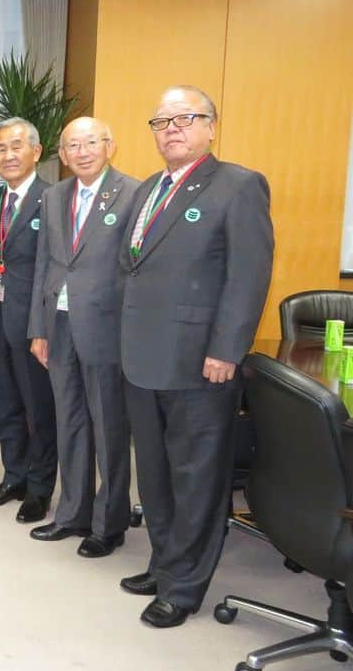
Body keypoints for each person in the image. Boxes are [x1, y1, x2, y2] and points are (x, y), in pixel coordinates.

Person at [118, 85, 273, 628]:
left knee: (197, 476)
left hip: (199, 362)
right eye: (161, 121)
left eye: (185, 118)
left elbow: (248, 276)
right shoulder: (147, 191)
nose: (172, 129)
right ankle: (164, 563)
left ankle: (184, 587)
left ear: (211, 126)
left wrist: (227, 349)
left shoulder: (238, 185)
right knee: (155, 474)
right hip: (141, 358)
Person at [27, 117, 138, 556]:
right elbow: (44, 266)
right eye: (73, 145)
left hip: (106, 328)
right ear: (63, 153)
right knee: (69, 420)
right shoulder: (55, 196)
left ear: (110, 145)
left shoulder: (133, 193)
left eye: (91, 142)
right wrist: (38, 327)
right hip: (59, 326)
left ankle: (109, 523)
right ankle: (71, 512)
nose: (82, 151)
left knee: (109, 425)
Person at [0, 118, 57, 523]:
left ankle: (40, 488)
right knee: (4, 405)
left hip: (33, 324)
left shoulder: (53, 199)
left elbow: (56, 269)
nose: (7, 155)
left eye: (16, 147)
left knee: (37, 408)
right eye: (1, 148)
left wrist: (43, 326)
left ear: (36, 152)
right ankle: (14, 476)